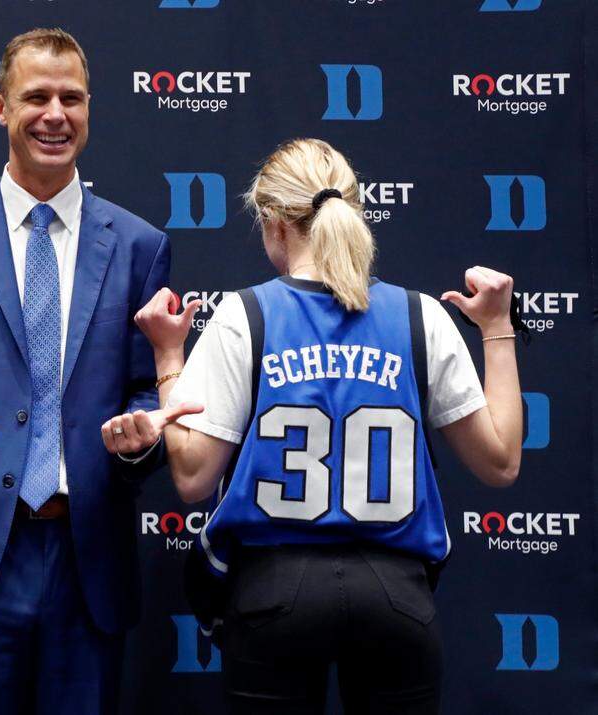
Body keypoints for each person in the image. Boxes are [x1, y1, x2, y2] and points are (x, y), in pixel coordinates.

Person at [112, 138, 522, 714]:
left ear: (274, 222)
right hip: (396, 595)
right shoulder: (419, 314)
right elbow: (501, 462)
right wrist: (497, 328)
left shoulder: (243, 314)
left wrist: (167, 357)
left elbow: (192, 476)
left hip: (273, 594)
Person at [0, 27, 189, 715]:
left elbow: (148, 387)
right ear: (0, 107)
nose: (56, 115)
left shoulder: (140, 246)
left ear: (89, 107)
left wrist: (144, 442)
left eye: (71, 98)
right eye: (36, 97)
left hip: (90, 567)